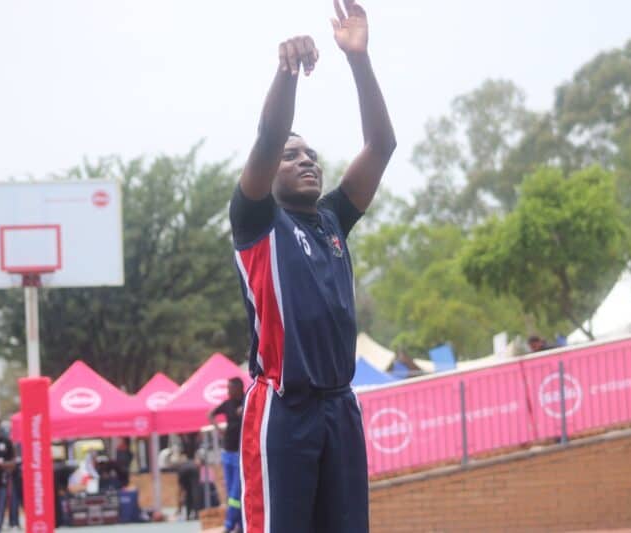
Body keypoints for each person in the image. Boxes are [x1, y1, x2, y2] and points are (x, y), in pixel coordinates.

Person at [229, 0, 395, 530]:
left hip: (340, 407)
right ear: (266, 172)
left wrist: (359, 59)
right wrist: (287, 74)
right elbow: (267, 139)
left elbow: (381, 144)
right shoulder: (257, 221)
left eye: (311, 155)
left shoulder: (331, 222)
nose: (306, 160)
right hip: (284, 406)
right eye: (291, 155)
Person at [208, 377, 245, 533]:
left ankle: (230, 524)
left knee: (237, 492)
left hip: (239, 453)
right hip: (227, 452)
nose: (227, 391)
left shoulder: (246, 400)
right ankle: (240, 525)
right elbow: (210, 414)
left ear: (238, 388)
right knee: (230, 492)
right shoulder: (227, 404)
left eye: (230, 388)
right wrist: (218, 428)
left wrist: (244, 411)